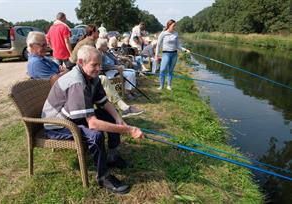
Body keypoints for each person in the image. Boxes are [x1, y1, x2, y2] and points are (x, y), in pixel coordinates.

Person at [42, 45, 144, 194]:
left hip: (72, 116)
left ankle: (112, 156)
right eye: (94, 65)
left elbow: (104, 102)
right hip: (57, 125)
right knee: (95, 135)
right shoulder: (77, 82)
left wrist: (118, 119)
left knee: (110, 117)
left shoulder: (92, 76)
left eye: (100, 64)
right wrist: (129, 129)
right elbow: (93, 124)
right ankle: (103, 177)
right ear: (81, 63)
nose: (98, 68)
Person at [27, 31, 143, 118]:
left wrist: (62, 72)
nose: (46, 47)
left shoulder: (43, 58)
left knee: (97, 78)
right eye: (42, 45)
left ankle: (117, 109)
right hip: (63, 95)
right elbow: (55, 81)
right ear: (32, 46)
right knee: (98, 78)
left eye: (46, 44)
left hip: (67, 86)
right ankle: (117, 110)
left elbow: (61, 72)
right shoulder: (36, 63)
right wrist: (63, 72)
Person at [155, 19, 190, 90]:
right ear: (169, 25)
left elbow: (178, 46)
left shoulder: (176, 33)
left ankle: (169, 85)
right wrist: (156, 55)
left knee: (170, 70)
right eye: (173, 25)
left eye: (175, 25)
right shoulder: (163, 33)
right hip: (166, 54)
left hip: (174, 54)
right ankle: (161, 86)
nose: (174, 27)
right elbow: (158, 45)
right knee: (162, 70)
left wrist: (185, 50)